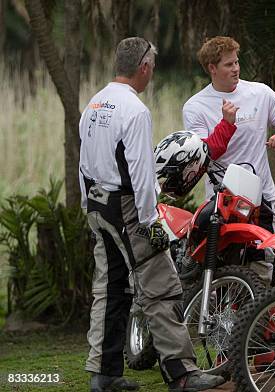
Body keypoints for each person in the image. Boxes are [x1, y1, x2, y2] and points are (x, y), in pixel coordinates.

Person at [79, 37, 226, 392]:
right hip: (128, 208)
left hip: (98, 205)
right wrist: (149, 221)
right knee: (160, 286)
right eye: (153, 67)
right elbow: (142, 174)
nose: (152, 73)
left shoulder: (94, 103)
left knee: (110, 289)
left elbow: (83, 160)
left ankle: (104, 374)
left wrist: (87, 204)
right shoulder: (135, 111)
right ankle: (182, 373)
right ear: (143, 66)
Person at [182, 36, 275, 286]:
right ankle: (220, 323)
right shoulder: (195, 107)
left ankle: (264, 323)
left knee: (267, 268)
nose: (236, 69)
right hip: (221, 204)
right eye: (229, 65)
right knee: (221, 273)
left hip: (262, 201)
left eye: (237, 62)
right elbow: (204, 155)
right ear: (212, 68)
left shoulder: (259, 92)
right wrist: (226, 124)